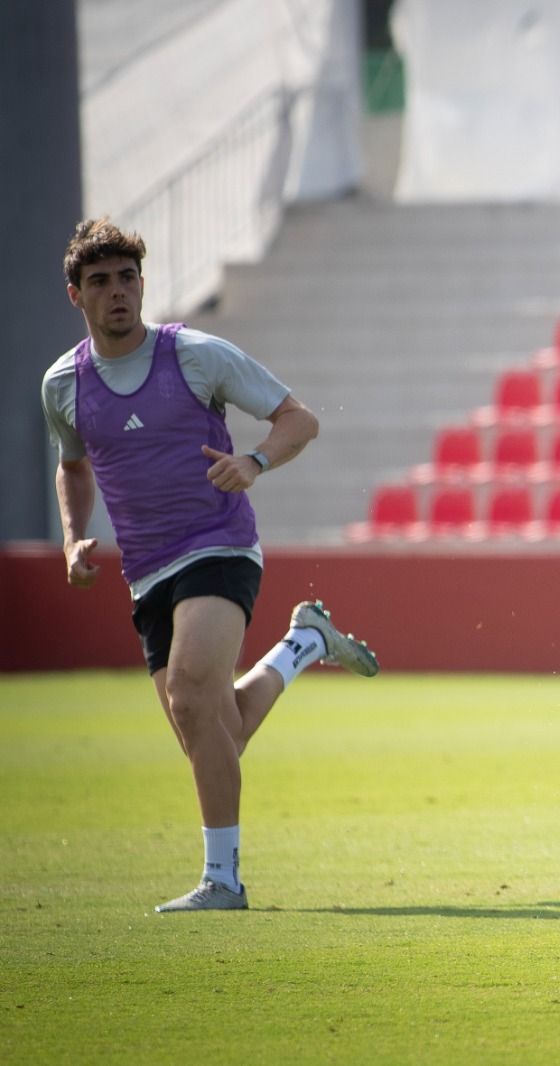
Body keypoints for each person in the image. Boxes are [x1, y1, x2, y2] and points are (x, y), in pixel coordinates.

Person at [41, 218, 380, 913]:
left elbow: (298, 419)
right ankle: (303, 643)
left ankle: (222, 882)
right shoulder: (63, 384)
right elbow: (73, 465)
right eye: (100, 282)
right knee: (212, 730)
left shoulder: (194, 355)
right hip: (147, 573)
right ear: (75, 294)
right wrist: (75, 537)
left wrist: (252, 461)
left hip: (218, 545)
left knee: (194, 697)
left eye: (128, 278)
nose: (118, 293)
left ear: (142, 283)